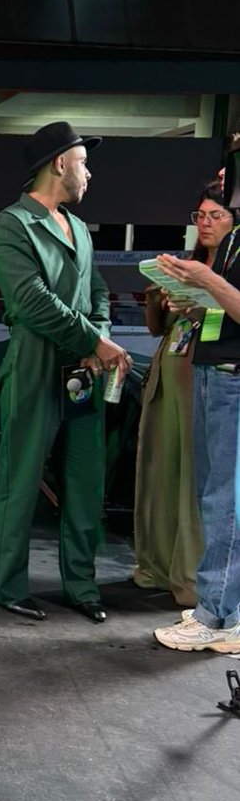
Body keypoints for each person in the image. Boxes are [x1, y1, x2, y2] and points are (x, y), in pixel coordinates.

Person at [0, 121, 131, 624]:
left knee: (84, 480)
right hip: (34, 364)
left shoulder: (77, 228)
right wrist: (94, 341)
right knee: (20, 478)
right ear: (60, 164)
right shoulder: (12, 225)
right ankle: (6, 585)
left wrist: (99, 339)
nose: (88, 173)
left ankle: (82, 586)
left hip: (84, 369)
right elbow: (30, 303)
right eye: (83, 162)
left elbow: (97, 291)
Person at [153, 183, 240, 652]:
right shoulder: (231, 242)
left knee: (225, 498)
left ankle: (217, 614)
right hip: (215, 373)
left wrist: (206, 281)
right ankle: (228, 607)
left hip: (232, 380)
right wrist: (196, 300)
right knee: (217, 494)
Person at [133, 182, 229, 605]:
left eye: (215, 216)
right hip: (165, 374)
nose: (205, 223)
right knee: (157, 473)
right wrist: (157, 298)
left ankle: (191, 580)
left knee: (196, 481)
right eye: (200, 215)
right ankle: (154, 566)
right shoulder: (188, 265)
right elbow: (158, 329)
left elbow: (221, 326)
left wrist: (201, 301)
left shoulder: (225, 274)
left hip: (202, 381)